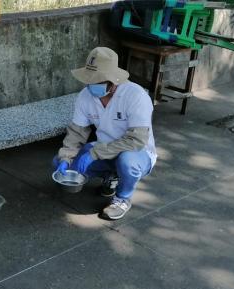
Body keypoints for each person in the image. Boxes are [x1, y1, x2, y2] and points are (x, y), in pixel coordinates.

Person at [53, 47, 157, 220]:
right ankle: (112, 176)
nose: (92, 85)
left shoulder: (135, 96)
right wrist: (66, 157)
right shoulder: (85, 96)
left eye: (98, 81)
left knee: (127, 161)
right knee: (58, 162)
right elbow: (76, 134)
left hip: (137, 153)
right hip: (103, 151)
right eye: (89, 80)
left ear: (114, 81)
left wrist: (94, 153)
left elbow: (136, 140)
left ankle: (122, 198)